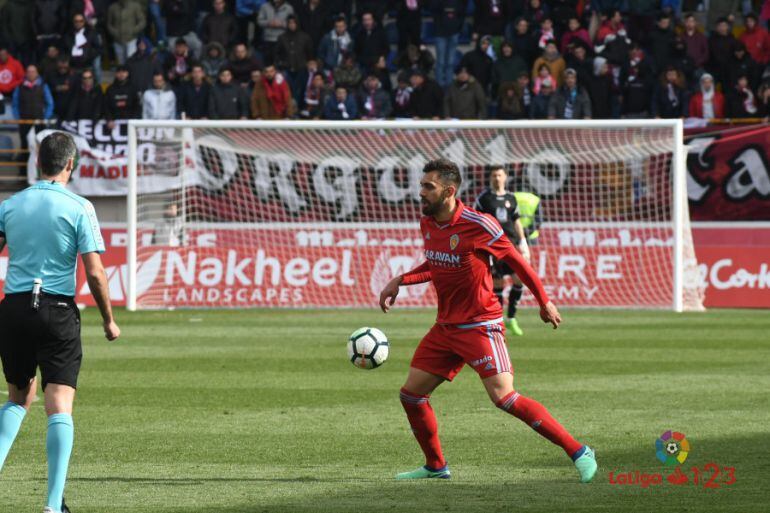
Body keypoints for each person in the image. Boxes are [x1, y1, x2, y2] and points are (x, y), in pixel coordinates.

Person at [378, 158, 596, 483]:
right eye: (422, 185)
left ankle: (579, 451)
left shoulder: (480, 224)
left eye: (428, 187)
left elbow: (517, 261)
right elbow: (437, 262)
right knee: (411, 395)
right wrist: (402, 280)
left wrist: (544, 301)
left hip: (481, 325)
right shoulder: (428, 224)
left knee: (505, 397)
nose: (420, 192)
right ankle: (436, 466)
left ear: (449, 191)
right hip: (446, 328)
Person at [0, 132, 120, 513]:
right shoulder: (79, 206)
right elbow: (96, 274)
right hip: (56, 310)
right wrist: (108, 320)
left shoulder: (10, 205)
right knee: (59, 405)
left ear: (39, 161)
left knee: (18, 398)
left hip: (14, 309)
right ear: (71, 164)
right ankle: (53, 506)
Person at [473, 165, 531, 336]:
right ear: (490, 178)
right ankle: (497, 321)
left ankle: (511, 318)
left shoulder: (511, 198)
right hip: (491, 247)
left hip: (511, 245)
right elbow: (476, 221)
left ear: (505, 177)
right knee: (497, 284)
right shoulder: (484, 198)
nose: (496, 178)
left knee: (519, 279)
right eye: (494, 175)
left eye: (499, 175)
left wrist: (523, 242)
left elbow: (516, 221)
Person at [11, 65, 53, 164]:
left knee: (41, 147)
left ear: (37, 73)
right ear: (26, 73)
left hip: (39, 122)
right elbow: (14, 104)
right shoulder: (20, 87)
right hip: (24, 121)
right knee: (24, 147)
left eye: (33, 71)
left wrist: (45, 117)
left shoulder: (43, 86)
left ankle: (41, 174)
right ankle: (23, 174)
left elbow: (50, 103)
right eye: (29, 71)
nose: (31, 74)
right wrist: (18, 118)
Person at [431, 0, 466, 88]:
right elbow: (433, 9)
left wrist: (458, 28)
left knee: (450, 62)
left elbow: (461, 13)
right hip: (440, 33)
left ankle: (449, 86)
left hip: (454, 33)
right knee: (441, 62)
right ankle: (439, 86)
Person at [107, 0, 146, 65]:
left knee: (131, 61)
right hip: (117, 40)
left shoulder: (135, 6)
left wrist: (133, 30)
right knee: (121, 63)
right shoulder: (112, 8)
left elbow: (142, 22)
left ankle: (131, 74)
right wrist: (114, 32)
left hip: (131, 39)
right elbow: (109, 24)